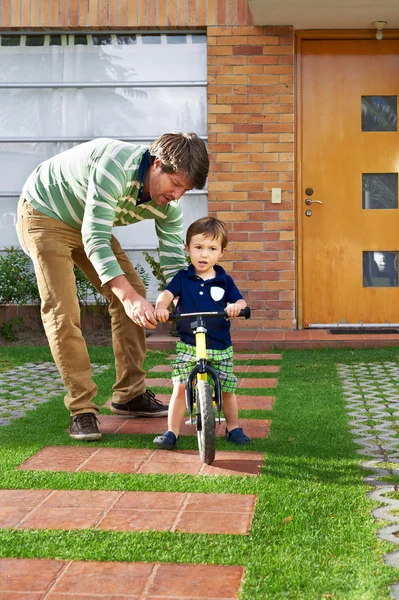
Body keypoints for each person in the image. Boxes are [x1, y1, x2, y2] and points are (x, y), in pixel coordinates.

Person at [16, 133, 209, 441]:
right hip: (45, 213)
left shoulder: (169, 206)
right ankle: (82, 409)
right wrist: (130, 298)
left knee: (131, 291)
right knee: (63, 310)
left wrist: (187, 299)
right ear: (157, 164)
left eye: (185, 189)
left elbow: (174, 262)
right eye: (176, 183)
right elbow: (95, 239)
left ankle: (129, 394)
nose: (178, 195)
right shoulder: (115, 167)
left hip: (89, 222)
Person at [153, 216, 250, 449]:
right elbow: (166, 295)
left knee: (227, 389)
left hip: (219, 345)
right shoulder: (182, 278)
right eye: (198, 248)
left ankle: (233, 426)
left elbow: (240, 301)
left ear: (222, 252)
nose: (203, 255)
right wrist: (161, 306)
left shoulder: (224, 280)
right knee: (179, 388)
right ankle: (172, 432)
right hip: (189, 345)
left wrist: (236, 307)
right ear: (187, 249)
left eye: (211, 249)